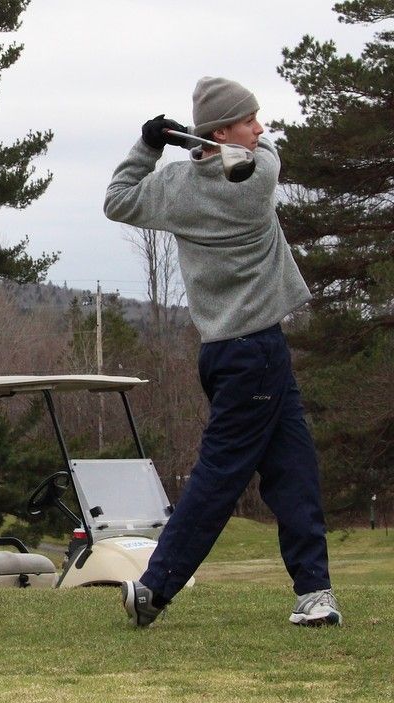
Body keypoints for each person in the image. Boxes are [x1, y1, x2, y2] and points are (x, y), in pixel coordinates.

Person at [104, 76, 340, 628]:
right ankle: (153, 589)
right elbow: (270, 153)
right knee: (219, 477)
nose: (260, 129)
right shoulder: (258, 178)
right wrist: (208, 144)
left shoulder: (176, 186)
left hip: (239, 352)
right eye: (249, 120)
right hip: (252, 352)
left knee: (294, 470)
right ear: (222, 131)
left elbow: (117, 200)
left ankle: (315, 593)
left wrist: (151, 146)